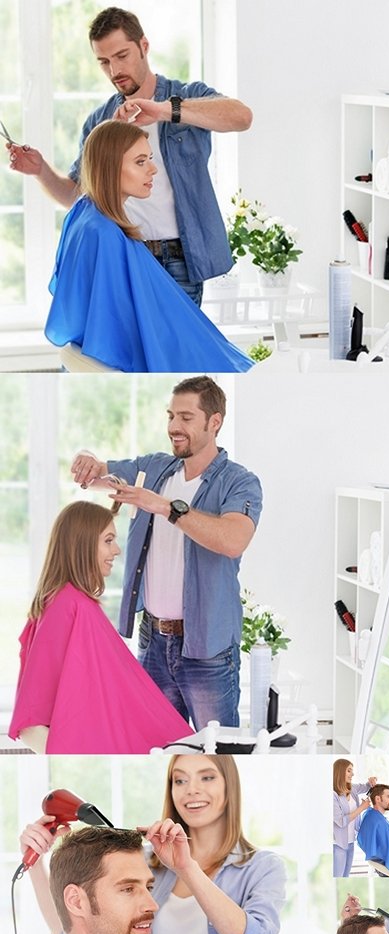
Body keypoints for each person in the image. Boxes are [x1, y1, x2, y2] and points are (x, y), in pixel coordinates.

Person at [6, 5, 252, 304]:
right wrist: (40, 170)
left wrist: (162, 110)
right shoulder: (100, 122)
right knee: (128, 351)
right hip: (123, 257)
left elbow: (241, 117)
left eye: (122, 56)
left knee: (176, 350)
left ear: (143, 46)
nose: (115, 71)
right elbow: (77, 196)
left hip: (180, 263)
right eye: (104, 62)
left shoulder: (187, 95)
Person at [71, 376, 262, 731]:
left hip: (208, 651)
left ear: (214, 422)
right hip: (153, 643)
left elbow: (234, 539)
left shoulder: (239, 481)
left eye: (186, 418)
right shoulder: (155, 468)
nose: (174, 427)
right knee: (156, 744)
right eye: (170, 416)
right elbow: (99, 475)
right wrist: (87, 459)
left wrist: (165, 507)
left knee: (215, 751)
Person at [20, 755, 286, 934]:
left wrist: (186, 867)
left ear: (230, 787)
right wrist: (35, 863)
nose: (191, 789)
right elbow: (76, 928)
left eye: (207, 777)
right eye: (179, 780)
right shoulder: (146, 864)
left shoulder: (260, 868)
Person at [44, 119, 254, 373]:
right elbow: (114, 326)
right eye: (140, 162)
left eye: (150, 159)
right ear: (109, 166)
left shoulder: (85, 213)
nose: (153, 169)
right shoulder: (103, 233)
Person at [8, 500, 193, 753]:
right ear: (81, 545)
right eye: (108, 540)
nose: (116, 550)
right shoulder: (66, 606)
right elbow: (33, 723)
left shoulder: (76, 603)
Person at [22, 827, 157, 934]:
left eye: (149, 888)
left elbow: (66, 925)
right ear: (76, 901)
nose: (152, 905)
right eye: (128, 889)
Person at [333, 758, 377, 877]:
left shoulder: (351, 788)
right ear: (340, 772)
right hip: (338, 845)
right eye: (349, 771)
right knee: (338, 877)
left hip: (350, 842)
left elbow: (367, 787)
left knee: (345, 876)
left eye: (352, 771)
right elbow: (341, 822)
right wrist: (362, 807)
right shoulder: (333, 795)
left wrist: (372, 781)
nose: (352, 774)